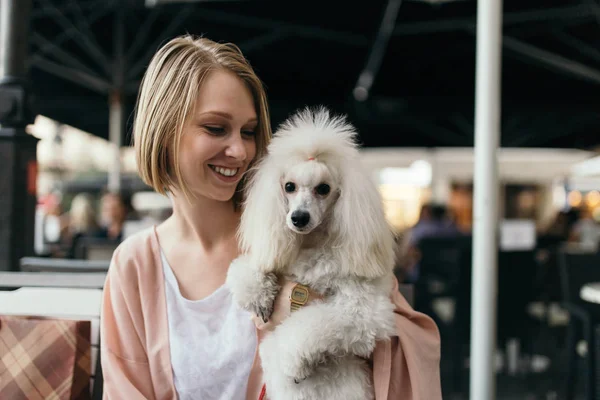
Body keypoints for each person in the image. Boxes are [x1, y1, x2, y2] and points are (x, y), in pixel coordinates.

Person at [100, 35, 441, 400]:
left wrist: (307, 310)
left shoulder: (315, 235)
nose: (240, 150)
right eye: (216, 128)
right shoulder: (135, 265)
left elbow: (409, 338)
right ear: (164, 131)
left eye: (248, 132)